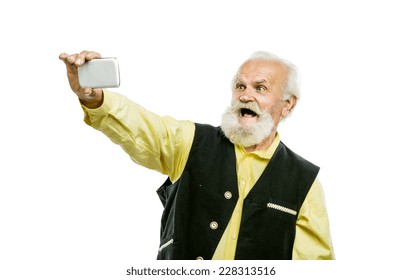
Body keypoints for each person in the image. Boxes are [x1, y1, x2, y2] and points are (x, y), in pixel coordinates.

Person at [59, 50, 335, 260]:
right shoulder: (191, 141)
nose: (245, 95)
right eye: (240, 86)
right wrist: (95, 99)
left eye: (259, 88)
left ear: (287, 105)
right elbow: (142, 127)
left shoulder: (305, 181)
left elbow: (313, 268)